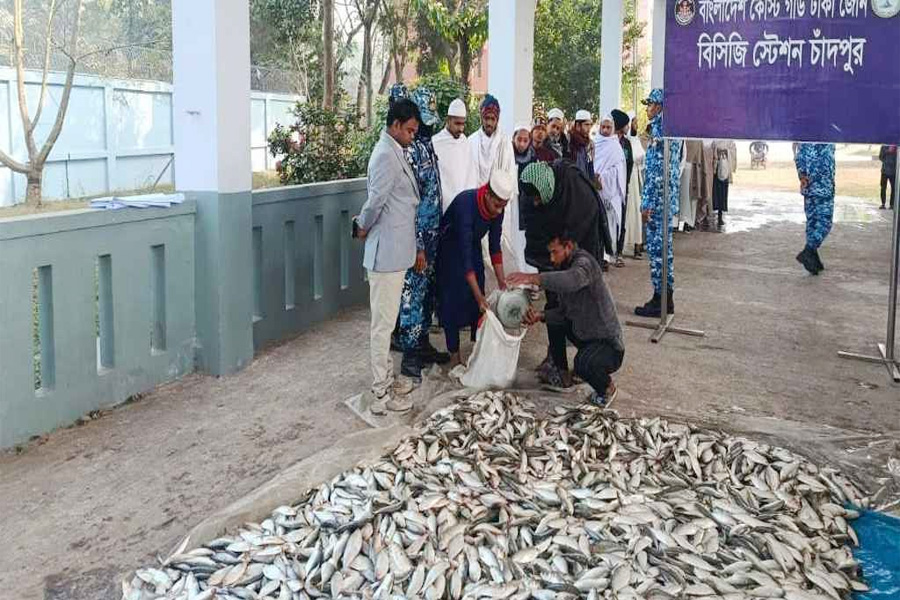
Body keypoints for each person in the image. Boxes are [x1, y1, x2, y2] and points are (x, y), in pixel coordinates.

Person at [355, 98, 421, 414]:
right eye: (409, 130)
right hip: (385, 255)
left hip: (397, 253)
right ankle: (380, 393)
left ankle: (386, 379)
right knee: (382, 326)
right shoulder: (384, 155)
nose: (412, 136)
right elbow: (375, 202)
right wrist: (361, 227)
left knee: (388, 321)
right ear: (394, 125)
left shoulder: (396, 151)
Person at [508, 232, 624, 406]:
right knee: (552, 317)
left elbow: (572, 280)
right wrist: (540, 316)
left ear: (568, 246)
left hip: (609, 345)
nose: (552, 259)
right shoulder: (564, 265)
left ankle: (607, 388)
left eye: (555, 252)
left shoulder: (585, 264)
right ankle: (563, 374)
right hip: (585, 334)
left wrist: (535, 278)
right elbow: (564, 312)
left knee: (583, 365)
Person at [388, 85, 451, 384]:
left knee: (426, 295)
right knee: (412, 295)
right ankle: (410, 356)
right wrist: (417, 246)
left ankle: (422, 342)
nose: (426, 126)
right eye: (421, 122)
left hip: (434, 233)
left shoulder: (424, 144)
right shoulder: (407, 150)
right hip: (417, 239)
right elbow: (409, 201)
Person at [520, 160, 601, 388]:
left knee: (580, 308)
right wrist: (545, 270)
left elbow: (578, 235)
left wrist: (564, 264)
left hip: (579, 248)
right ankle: (557, 363)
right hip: (555, 253)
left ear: (546, 190)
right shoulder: (532, 190)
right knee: (555, 308)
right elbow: (534, 228)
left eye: (538, 198)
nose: (535, 202)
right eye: (532, 198)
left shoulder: (577, 193)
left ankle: (590, 363)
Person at [437, 170, 514, 367]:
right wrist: (480, 298)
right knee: (452, 300)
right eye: (497, 205)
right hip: (450, 248)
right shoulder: (466, 204)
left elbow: (495, 247)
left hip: (472, 245)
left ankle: (477, 345)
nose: (498, 211)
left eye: (503, 207)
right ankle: (454, 354)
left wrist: (503, 284)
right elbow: (464, 259)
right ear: (487, 193)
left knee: (477, 292)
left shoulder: (498, 208)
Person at [635, 88, 683, 318]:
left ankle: (660, 300)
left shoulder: (661, 130)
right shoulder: (672, 128)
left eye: (651, 104)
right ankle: (664, 298)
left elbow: (656, 172)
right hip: (666, 200)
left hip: (657, 202)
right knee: (665, 251)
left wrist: (647, 204)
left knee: (657, 251)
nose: (648, 108)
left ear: (661, 106)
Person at [468, 94, 522, 274]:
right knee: (478, 247)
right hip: (477, 202)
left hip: (498, 203)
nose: (490, 123)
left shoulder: (505, 143)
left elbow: (509, 174)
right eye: (487, 118)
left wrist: (500, 198)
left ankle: (506, 284)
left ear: (497, 119)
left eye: (493, 119)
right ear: (481, 118)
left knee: (498, 243)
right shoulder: (471, 141)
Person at [794, 143, 835, 275]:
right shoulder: (826, 141)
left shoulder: (805, 141)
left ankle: (813, 262)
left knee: (812, 224)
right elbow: (826, 162)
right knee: (825, 223)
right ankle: (809, 250)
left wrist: (802, 175)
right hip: (823, 188)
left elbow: (798, 157)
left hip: (808, 187)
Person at [432, 98, 477, 214]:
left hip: (464, 207)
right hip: (442, 208)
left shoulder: (465, 142)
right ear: (448, 120)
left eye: (463, 124)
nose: (461, 129)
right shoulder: (436, 143)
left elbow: (471, 174)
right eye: (457, 123)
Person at [594, 115, 627, 268]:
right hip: (593, 190)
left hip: (608, 192)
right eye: (603, 127)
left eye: (608, 127)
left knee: (608, 223)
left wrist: (603, 178)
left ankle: (606, 256)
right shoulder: (594, 143)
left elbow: (619, 170)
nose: (605, 130)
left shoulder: (616, 147)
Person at [623, 114, 645, 258]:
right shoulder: (625, 142)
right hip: (628, 178)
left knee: (637, 212)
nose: (637, 126)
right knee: (628, 212)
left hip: (637, 179)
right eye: (635, 123)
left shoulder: (636, 140)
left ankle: (637, 243)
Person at [712, 139, 738, 228]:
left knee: (723, 194)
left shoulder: (729, 140)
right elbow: (711, 150)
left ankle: (720, 215)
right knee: (715, 193)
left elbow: (733, 151)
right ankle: (713, 214)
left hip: (725, 169)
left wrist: (726, 152)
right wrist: (716, 153)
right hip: (715, 169)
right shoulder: (714, 139)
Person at [568, 109, 594, 180]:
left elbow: (589, 164)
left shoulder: (588, 143)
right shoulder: (569, 141)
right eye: (586, 125)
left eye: (590, 125)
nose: (589, 128)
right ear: (578, 125)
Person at [880, 145, 897, 210]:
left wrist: (894, 151)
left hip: (893, 171)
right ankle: (883, 204)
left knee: (894, 188)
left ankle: (892, 205)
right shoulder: (884, 146)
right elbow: (880, 157)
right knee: (883, 188)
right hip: (884, 171)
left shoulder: (896, 146)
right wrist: (888, 151)